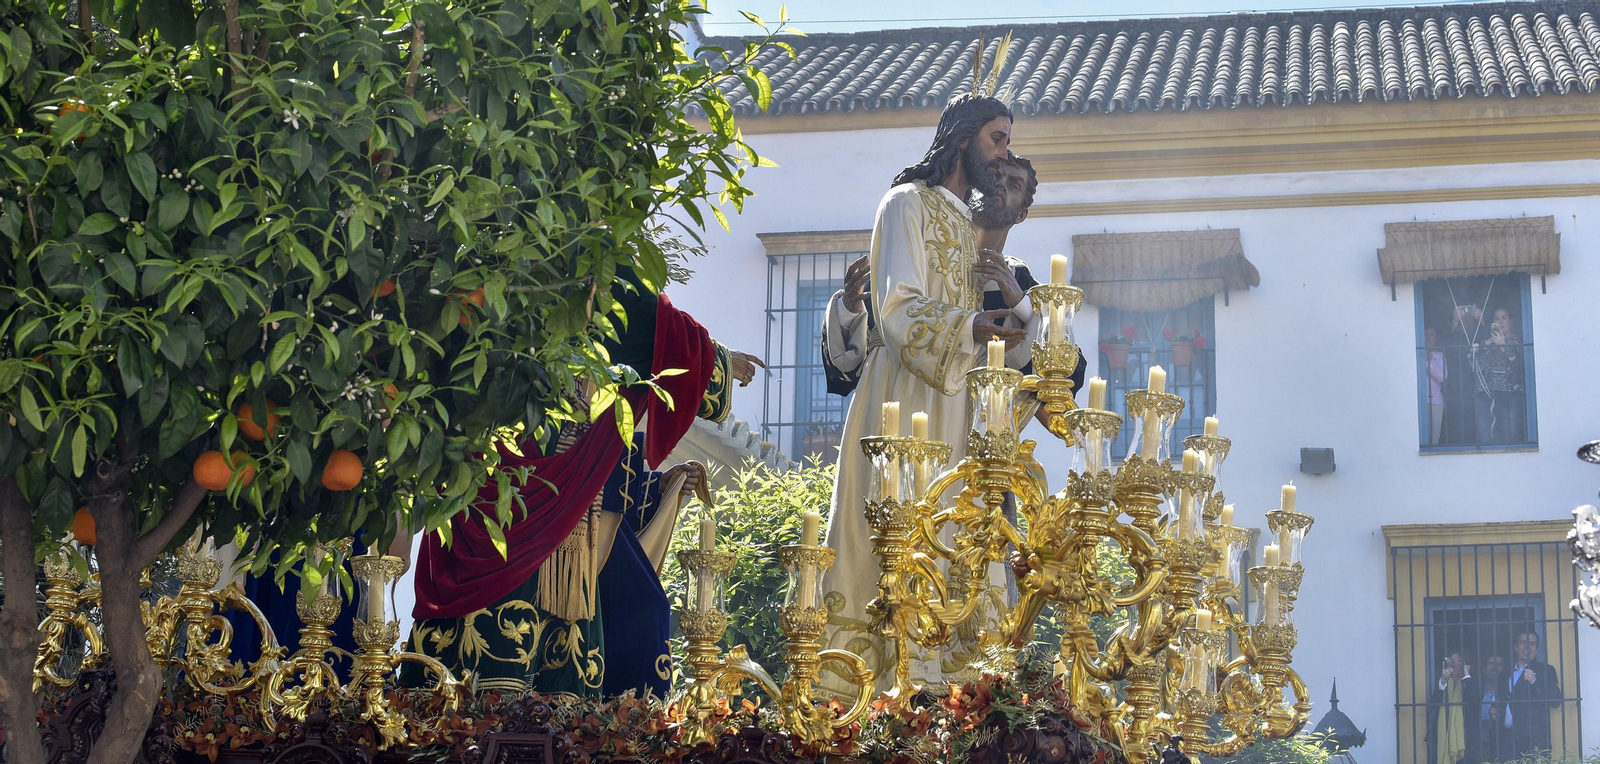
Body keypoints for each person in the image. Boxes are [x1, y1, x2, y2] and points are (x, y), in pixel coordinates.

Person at [404, 267, 760, 696]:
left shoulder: (487, 254)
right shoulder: (577, 252)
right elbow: (646, 320)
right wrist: (715, 360)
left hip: (511, 471)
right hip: (496, 467)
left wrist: (712, 360)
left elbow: (643, 319)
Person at [818, 92, 1050, 689]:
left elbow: (1036, 355)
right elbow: (896, 306)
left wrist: (997, 332)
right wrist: (966, 326)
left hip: (960, 403)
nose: (1001, 156)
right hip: (905, 396)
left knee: (955, 535)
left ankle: (950, 691)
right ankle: (872, 682)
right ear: (966, 138)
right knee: (893, 533)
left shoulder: (971, 231)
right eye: (997, 140)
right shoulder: (905, 203)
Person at [821, 153, 1085, 400]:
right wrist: (850, 309)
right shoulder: (917, 260)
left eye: (1014, 185)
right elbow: (845, 377)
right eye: (993, 177)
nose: (1000, 185)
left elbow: (1070, 374)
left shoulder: (1019, 282)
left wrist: (1022, 306)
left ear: (1021, 213)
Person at [1503, 630, 1562, 758]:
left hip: (1534, 741)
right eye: (1523, 642)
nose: (1527, 647)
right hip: (1506, 741)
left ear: (1537, 648)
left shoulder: (1546, 670)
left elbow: (1556, 701)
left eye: (1532, 643)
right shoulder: (1504, 674)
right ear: (1515, 647)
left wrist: (1534, 681)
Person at [1471, 307, 1525, 445]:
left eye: (1504, 318)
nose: (1500, 321)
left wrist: (1503, 345)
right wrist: (1490, 341)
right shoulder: (1488, 343)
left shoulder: (1518, 340)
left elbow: (1518, 363)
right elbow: (1471, 359)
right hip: (1491, 396)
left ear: (1511, 321)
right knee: (1493, 436)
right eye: (1496, 319)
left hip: (1511, 394)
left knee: (1512, 435)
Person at [1427, 652, 1476, 764]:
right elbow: (1434, 704)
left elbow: (1475, 699)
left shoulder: (1472, 681)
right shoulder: (1443, 682)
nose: (1456, 664)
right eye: (1452, 661)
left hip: (1465, 737)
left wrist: (1466, 676)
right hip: (1443, 733)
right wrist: (1443, 681)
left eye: (1459, 661)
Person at [1472, 654, 1508, 763]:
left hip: (1501, 735)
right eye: (1490, 664)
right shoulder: (1476, 690)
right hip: (1478, 735)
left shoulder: (1508, 691)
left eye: (1498, 664)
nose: (1494, 668)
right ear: (1484, 668)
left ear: (1504, 669)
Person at [1424, 326, 1447, 445]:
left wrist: (1428, 363)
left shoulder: (1439, 355)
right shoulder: (1414, 353)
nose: (1429, 337)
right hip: (1419, 401)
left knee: (1433, 440)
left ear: (1436, 338)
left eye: (1432, 334)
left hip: (1435, 401)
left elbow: (1442, 377)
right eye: (1426, 334)